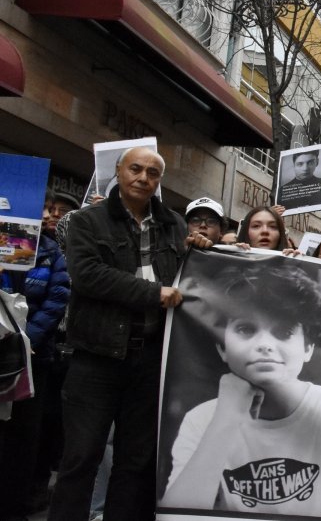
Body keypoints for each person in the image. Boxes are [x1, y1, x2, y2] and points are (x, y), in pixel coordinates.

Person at [160, 264, 321, 518]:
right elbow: (176, 517)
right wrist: (225, 421)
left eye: (283, 332)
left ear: (308, 347)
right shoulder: (200, 419)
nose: (264, 345)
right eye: (245, 329)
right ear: (222, 347)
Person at [48, 146, 188, 521]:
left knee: (135, 463)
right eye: (136, 169)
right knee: (80, 459)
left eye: (153, 173)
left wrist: (206, 250)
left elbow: (187, 275)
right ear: (119, 172)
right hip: (96, 358)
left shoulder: (174, 224)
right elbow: (88, 276)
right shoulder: (87, 221)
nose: (143, 178)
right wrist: (152, 293)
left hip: (149, 361)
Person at [0, 193, 73, 519]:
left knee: (23, 439)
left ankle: (15, 504)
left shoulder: (50, 253)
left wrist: (28, 340)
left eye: (53, 210)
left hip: (33, 358)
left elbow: (57, 298)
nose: (47, 214)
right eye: (45, 207)